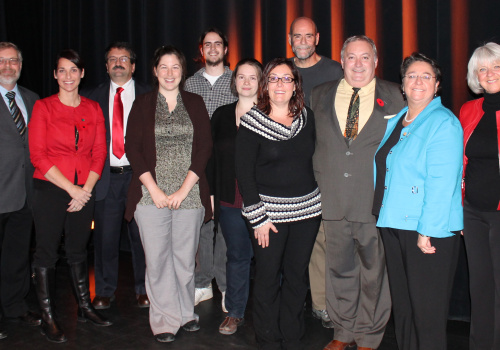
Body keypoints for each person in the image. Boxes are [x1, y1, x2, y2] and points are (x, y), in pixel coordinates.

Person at [311, 36, 404, 350]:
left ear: (376, 62)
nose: (359, 64)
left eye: (366, 57)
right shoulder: (318, 95)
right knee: (338, 270)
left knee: (374, 271)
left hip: (374, 201)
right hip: (332, 198)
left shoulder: (396, 97)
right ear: (341, 60)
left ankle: (368, 334)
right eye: (352, 57)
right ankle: (342, 331)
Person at [374, 52, 463, 350]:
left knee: (428, 317)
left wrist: (428, 230)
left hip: (426, 232)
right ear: (402, 85)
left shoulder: (443, 122)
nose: (418, 81)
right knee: (406, 312)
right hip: (396, 225)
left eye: (427, 76)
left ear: (437, 85)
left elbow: (442, 183)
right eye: (411, 75)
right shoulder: (400, 118)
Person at [124, 45, 212, 343]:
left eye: (175, 67)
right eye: (164, 66)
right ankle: (164, 320)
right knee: (158, 261)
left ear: (182, 71)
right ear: (155, 70)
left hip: (189, 194)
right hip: (151, 196)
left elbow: (204, 149)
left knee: (185, 260)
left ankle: (186, 313)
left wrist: (184, 189)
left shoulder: (196, 103)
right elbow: (133, 150)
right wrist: (155, 190)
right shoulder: (143, 104)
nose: (170, 72)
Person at [235, 57, 322, 349]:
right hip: (268, 218)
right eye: (274, 78)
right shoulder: (251, 122)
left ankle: (293, 337)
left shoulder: (307, 118)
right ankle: (268, 339)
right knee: (268, 280)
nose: (280, 84)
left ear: (296, 85)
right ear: (265, 85)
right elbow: (244, 175)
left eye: (287, 78)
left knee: (297, 280)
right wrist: (258, 219)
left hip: (307, 214)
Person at [29, 49, 111, 343]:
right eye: (61, 71)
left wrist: (85, 190)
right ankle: (48, 317)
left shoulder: (93, 108)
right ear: (54, 75)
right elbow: (38, 156)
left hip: (84, 190)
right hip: (51, 188)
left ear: (82, 73)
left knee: (78, 251)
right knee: (47, 253)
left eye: (73, 70)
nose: (67, 76)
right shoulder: (43, 107)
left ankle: (84, 308)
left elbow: (99, 152)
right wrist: (72, 189)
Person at [81, 42, 150, 310]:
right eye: (112, 59)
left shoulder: (149, 94)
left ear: (133, 65)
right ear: (106, 66)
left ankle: (144, 288)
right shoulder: (91, 97)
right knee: (105, 239)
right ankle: (105, 290)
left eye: (124, 59)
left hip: (139, 178)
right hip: (105, 179)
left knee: (142, 239)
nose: (118, 63)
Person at [288, 16, 343, 329]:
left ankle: (324, 305)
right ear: (291, 39)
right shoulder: (283, 71)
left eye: (309, 36)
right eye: (298, 36)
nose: (303, 41)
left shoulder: (335, 71)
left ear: (318, 38)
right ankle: (305, 303)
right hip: (291, 169)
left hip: (326, 166)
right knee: (299, 240)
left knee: (325, 239)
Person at [208, 58, 263, 335]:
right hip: (230, 200)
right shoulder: (220, 115)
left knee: (268, 260)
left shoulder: (271, 113)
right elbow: (211, 158)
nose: (246, 82)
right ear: (234, 81)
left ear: (260, 82)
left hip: (264, 203)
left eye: (252, 77)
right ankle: (235, 312)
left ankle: (270, 313)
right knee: (237, 256)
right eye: (241, 76)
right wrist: (211, 195)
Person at [185, 27, 237, 311]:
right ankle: (202, 283)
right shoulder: (189, 84)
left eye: (218, 44)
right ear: (201, 50)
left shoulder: (236, 80)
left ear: (225, 49)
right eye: (208, 44)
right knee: (203, 224)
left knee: (228, 225)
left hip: (229, 164)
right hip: (199, 164)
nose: (213, 48)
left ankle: (227, 286)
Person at [460, 42, 500, 350]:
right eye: (482, 69)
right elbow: (461, 162)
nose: (490, 74)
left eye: (497, 66)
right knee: (480, 287)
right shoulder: (468, 110)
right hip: (472, 212)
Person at [0, 42, 41, 340]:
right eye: (1, 61)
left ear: (21, 65)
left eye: (13, 60)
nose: (8, 66)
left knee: (17, 256)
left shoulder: (31, 98)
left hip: (26, 194)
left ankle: (14, 306)